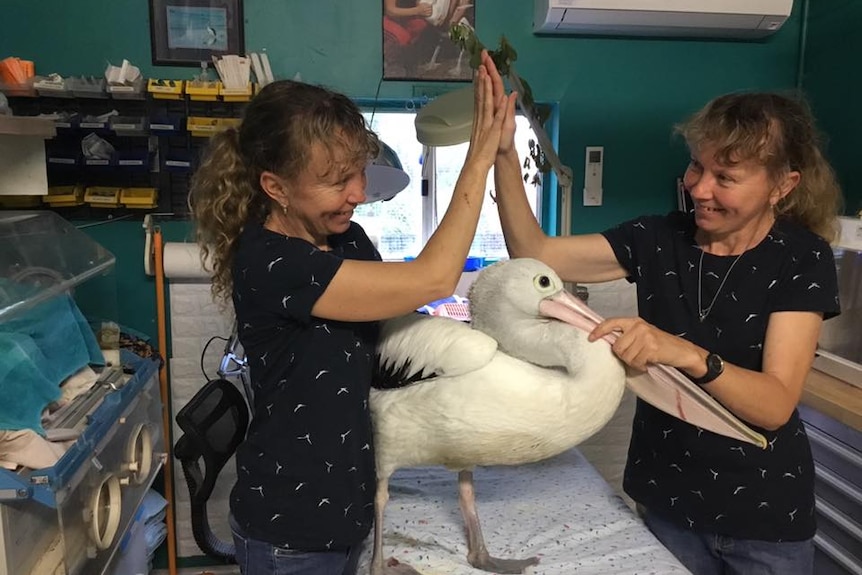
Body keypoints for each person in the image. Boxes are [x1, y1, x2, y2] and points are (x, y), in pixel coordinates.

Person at [188, 52, 516, 575]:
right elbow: (430, 278)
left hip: (346, 513)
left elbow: (392, 312)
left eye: (359, 173)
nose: (359, 194)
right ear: (276, 188)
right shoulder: (272, 260)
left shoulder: (346, 239)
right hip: (289, 531)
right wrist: (475, 159)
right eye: (338, 181)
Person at [493, 90, 842, 575]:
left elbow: (775, 403)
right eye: (697, 167)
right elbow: (535, 251)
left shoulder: (801, 258)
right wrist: (506, 154)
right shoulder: (657, 239)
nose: (699, 188)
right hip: (667, 502)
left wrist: (686, 354)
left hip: (763, 515)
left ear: (782, 186)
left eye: (726, 177)